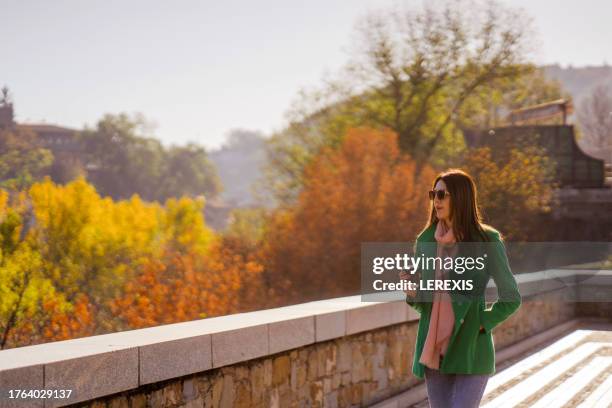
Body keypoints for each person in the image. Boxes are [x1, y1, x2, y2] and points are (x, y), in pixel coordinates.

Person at [399, 168, 522, 408]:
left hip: (471, 348)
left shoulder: (487, 241)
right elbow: (426, 303)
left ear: (460, 198)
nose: (436, 200)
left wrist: (482, 322)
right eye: (433, 194)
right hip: (435, 350)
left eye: (442, 194)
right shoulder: (425, 242)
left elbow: (511, 297)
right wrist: (413, 292)